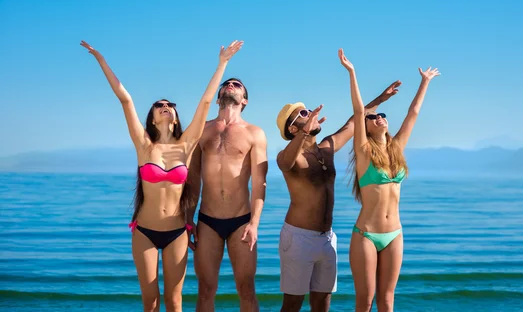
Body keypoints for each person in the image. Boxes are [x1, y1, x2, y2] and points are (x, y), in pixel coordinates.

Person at [80, 39, 242, 312]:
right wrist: (100, 59)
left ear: (176, 117)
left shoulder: (187, 144)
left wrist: (223, 63)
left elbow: (204, 102)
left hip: (177, 232)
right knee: (150, 302)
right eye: (159, 104)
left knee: (174, 301)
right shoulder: (144, 145)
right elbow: (125, 98)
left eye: (170, 104)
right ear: (153, 118)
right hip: (144, 232)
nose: (165, 105)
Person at [275, 79, 401, 312]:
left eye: (308, 110)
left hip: (326, 238)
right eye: (303, 113)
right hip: (298, 238)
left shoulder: (326, 148)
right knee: (292, 304)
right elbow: (285, 163)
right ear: (293, 128)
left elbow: (353, 123)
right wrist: (303, 134)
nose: (310, 113)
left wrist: (381, 99)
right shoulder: (289, 155)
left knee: (322, 303)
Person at [338, 48, 440, 312]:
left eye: (382, 115)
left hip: (395, 233)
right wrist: (352, 72)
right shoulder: (364, 153)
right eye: (374, 117)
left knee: (387, 300)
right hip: (366, 235)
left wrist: (424, 82)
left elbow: (413, 113)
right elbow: (359, 111)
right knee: (366, 300)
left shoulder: (397, 149)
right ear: (367, 127)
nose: (379, 117)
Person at [186, 77, 268, 312]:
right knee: (205, 291)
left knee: (246, 289)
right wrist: (188, 219)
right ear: (218, 95)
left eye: (238, 84)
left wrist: (254, 224)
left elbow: (260, 183)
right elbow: (193, 179)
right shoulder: (202, 130)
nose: (231, 85)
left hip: (241, 222)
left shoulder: (255, 133)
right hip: (207, 221)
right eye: (227, 83)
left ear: (245, 100)